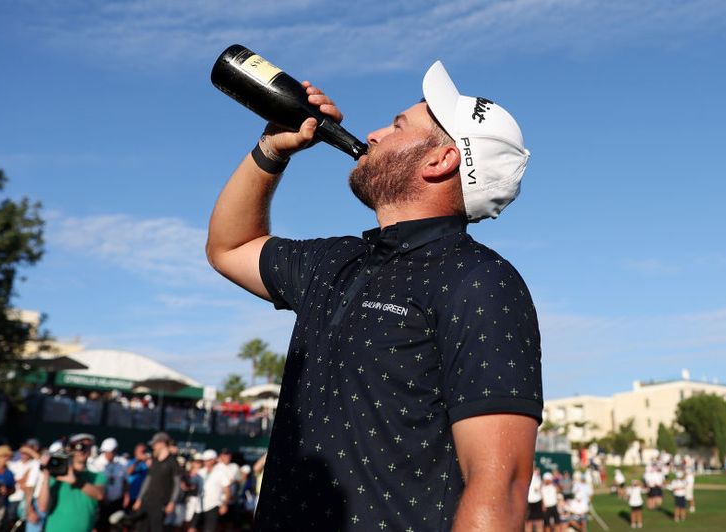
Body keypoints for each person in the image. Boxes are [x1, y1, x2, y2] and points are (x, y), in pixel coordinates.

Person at [206, 59, 542, 530]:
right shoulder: (338, 261)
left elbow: (498, 483)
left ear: (440, 160)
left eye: (399, 125)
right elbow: (229, 247)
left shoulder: (481, 281)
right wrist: (271, 148)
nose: (376, 133)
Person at [37, 434, 106, 532]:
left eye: (86, 447)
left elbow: (99, 495)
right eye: (77, 446)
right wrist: (46, 475)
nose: (81, 450)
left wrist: (75, 481)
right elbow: (42, 507)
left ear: (91, 450)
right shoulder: (58, 475)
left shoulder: (97, 476)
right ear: (70, 450)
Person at [132, 432, 181, 532]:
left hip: (161, 504)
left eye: (154, 444)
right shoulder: (154, 460)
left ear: (162, 443)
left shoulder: (173, 462)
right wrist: (139, 499)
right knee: (139, 528)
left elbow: (177, 484)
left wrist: (172, 502)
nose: (153, 447)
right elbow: (147, 480)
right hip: (146, 501)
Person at [90, 437, 127, 531]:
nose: (112, 454)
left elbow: (124, 481)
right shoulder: (96, 464)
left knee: (116, 527)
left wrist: (126, 495)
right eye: (110, 451)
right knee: (101, 527)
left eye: (114, 451)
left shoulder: (121, 463)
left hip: (116, 502)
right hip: (101, 504)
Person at [192, 450, 229, 532]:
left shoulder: (221, 472)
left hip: (213, 506)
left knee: (209, 530)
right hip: (199, 506)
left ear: (213, 460)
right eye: (204, 460)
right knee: (192, 528)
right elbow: (191, 485)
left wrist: (225, 504)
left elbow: (227, 489)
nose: (205, 462)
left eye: (208, 460)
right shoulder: (200, 471)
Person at [126, 443, 150, 509]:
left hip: (144, 496)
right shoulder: (131, 462)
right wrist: (137, 460)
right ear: (136, 452)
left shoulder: (147, 463)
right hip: (132, 495)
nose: (144, 453)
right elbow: (129, 472)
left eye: (145, 451)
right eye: (142, 451)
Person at [526, 467, 544, 532]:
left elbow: (539, 490)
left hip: (535, 501)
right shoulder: (536, 478)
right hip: (531, 501)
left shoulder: (537, 478)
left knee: (536, 522)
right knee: (531, 522)